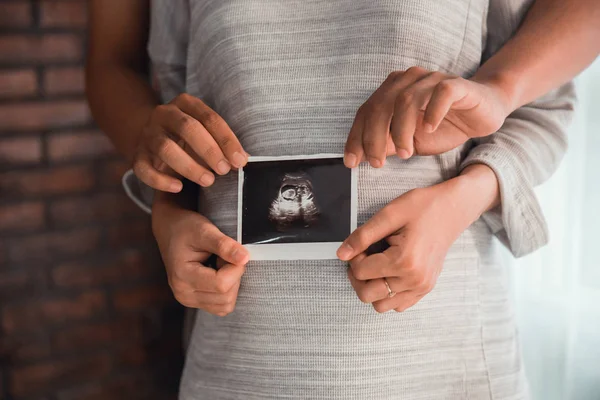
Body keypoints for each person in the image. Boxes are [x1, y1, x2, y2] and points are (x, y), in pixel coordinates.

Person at [86, 0, 598, 398]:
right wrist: (168, 207)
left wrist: (465, 195)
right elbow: (122, 72)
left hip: (442, 359)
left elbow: (541, 106)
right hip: (239, 364)